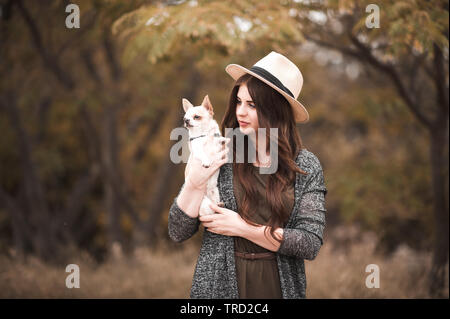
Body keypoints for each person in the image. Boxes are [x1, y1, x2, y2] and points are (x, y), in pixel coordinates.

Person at [168, 51, 328, 299]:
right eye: (239, 101)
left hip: (278, 288)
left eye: (252, 105)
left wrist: (243, 228)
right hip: (217, 289)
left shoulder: (306, 165)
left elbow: (309, 243)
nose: (240, 111)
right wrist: (194, 183)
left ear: (276, 110)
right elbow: (178, 231)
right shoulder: (220, 151)